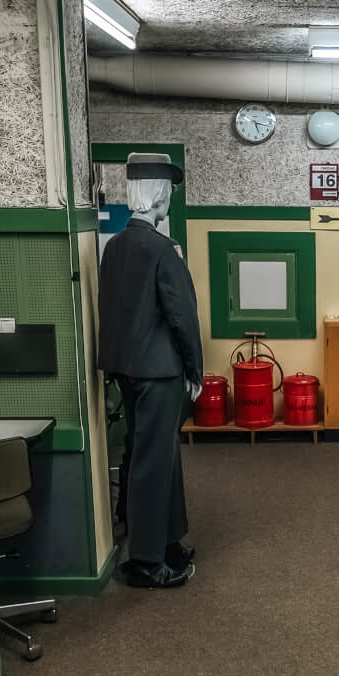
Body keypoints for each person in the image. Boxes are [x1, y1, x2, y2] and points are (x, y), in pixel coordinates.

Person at [97, 153, 199, 588]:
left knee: (152, 457)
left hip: (126, 369)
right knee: (155, 464)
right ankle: (146, 561)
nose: (170, 201)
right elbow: (182, 316)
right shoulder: (162, 250)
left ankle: (168, 541)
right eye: (169, 193)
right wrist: (195, 368)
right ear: (158, 194)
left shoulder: (114, 247)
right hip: (160, 372)